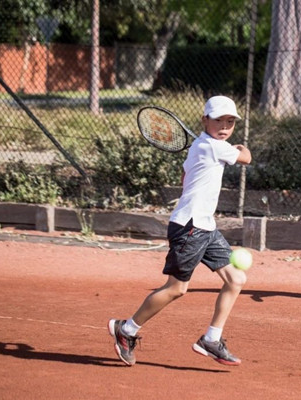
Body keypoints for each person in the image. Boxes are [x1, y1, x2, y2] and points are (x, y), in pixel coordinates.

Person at [108, 96, 252, 366]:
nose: (224, 127)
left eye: (230, 122)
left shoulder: (200, 146)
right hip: (190, 228)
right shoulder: (213, 146)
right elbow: (246, 157)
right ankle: (126, 329)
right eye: (218, 120)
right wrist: (240, 146)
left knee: (236, 279)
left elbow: (185, 178)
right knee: (176, 289)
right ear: (204, 120)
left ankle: (211, 339)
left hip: (204, 226)